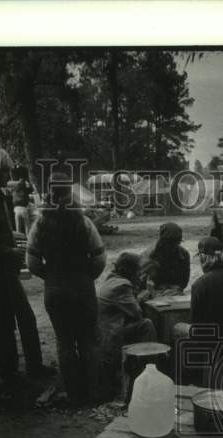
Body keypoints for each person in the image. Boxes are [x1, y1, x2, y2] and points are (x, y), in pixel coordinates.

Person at [0, 146, 53, 385]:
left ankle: (19, 370)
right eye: (6, 170)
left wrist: (15, 245)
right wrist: (9, 251)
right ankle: (18, 371)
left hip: (5, 267)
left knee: (14, 318)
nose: (10, 174)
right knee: (12, 319)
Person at [26, 170, 107, 404]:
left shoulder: (40, 225)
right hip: (82, 288)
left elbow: (32, 263)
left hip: (56, 290)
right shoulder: (84, 222)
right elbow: (100, 258)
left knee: (64, 342)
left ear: (49, 192)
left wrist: (50, 276)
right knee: (88, 341)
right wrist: (86, 277)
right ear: (71, 191)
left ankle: (73, 394)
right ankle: (92, 392)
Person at [95, 252, 156, 400]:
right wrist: (148, 291)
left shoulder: (111, 278)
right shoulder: (123, 285)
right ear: (131, 271)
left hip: (101, 330)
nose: (140, 274)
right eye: (138, 271)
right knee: (147, 324)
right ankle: (150, 367)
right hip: (111, 335)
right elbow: (137, 313)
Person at [139, 222, 190, 295]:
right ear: (162, 241)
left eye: (177, 242)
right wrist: (157, 290)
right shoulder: (149, 256)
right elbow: (140, 282)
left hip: (174, 292)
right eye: (170, 243)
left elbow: (184, 281)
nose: (174, 246)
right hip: (152, 293)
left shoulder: (184, 255)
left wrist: (176, 288)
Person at [10, 164, 35, 234]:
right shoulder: (24, 186)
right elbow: (31, 189)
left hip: (16, 209)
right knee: (27, 228)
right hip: (24, 208)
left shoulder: (14, 187)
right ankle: (28, 241)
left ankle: (20, 243)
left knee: (18, 230)